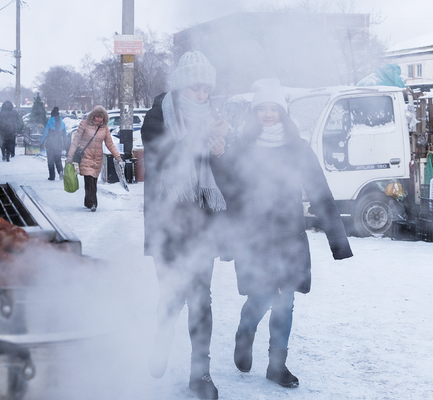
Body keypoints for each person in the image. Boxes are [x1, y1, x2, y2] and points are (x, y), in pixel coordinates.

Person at [212, 78, 353, 389]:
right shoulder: (242, 148)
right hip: (254, 235)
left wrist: (338, 242)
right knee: (261, 296)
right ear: (254, 113)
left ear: (282, 111)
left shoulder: (298, 149)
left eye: (273, 108)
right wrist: (219, 158)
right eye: (261, 108)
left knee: (285, 300)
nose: (267, 114)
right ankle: (245, 332)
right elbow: (228, 189)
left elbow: (320, 193)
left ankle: (277, 365)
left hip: (289, 235)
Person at [140, 51, 229, 400]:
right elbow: (160, 155)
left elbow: (225, 177)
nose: (202, 95)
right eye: (196, 88)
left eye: (207, 89)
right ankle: (161, 344)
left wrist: (221, 152)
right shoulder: (157, 117)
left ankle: (200, 374)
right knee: (172, 294)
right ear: (180, 86)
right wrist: (199, 140)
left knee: (201, 299)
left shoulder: (214, 118)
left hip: (202, 223)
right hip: (167, 222)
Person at [66, 105, 122, 212]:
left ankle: (88, 201)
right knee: (89, 180)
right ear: (93, 116)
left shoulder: (104, 128)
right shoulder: (84, 124)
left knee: (93, 182)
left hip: (97, 159)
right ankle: (93, 203)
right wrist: (70, 155)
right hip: (85, 157)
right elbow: (76, 141)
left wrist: (117, 156)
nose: (99, 119)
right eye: (97, 117)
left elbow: (109, 143)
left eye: (101, 117)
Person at [41, 107, 67, 180]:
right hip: (59, 144)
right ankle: (61, 171)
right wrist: (66, 144)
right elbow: (65, 135)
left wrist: (41, 142)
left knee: (50, 160)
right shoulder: (62, 123)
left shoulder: (49, 122)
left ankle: (52, 176)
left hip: (50, 144)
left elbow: (45, 133)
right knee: (58, 159)